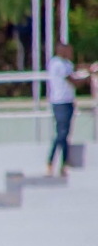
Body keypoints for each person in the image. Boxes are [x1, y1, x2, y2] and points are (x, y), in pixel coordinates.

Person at [45, 42, 92, 177]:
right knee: (61, 133)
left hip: (68, 101)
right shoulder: (57, 64)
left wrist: (88, 69)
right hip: (60, 102)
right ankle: (52, 162)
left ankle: (63, 163)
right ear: (62, 51)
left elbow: (75, 70)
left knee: (65, 134)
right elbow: (73, 80)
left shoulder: (66, 64)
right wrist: (87, 78)